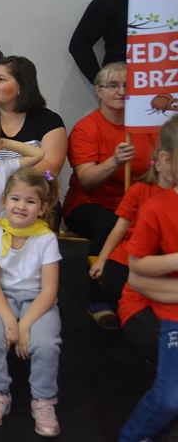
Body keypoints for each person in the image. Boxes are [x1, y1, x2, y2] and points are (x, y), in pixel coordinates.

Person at [0, 169, 62, 436]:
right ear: (4, 201)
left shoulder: (46, 238)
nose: (21, 206)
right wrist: (8, 321)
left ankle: (43, 399)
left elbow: (49, 291)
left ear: (42, 207)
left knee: (46, 343)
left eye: (30, 201)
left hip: (37, 300)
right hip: (1, 297)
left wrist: (24, 325)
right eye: (15, 199)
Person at [120, 115, 178, 442]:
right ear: (167, 160)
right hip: (168, 312)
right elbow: (139, 267)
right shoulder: (157, 207)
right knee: (170, 396)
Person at [62, 62, 158, 256]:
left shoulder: (146, 125)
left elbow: (161, 166)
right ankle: (100, 272)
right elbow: (87, 180)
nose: (121, 91)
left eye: (127, 86)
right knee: (112, 226)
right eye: (113, 86)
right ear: (98, 91)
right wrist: (115, 161)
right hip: (91, 204)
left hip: (136, 203)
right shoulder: (86, 128)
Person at [88, 149, 172, 329]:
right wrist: (101, 259)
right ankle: (106, 303)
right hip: (127, 254)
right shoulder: (139, 189)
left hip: (160, 257)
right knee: (113, 290)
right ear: (158, 165)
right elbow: (120, 228)